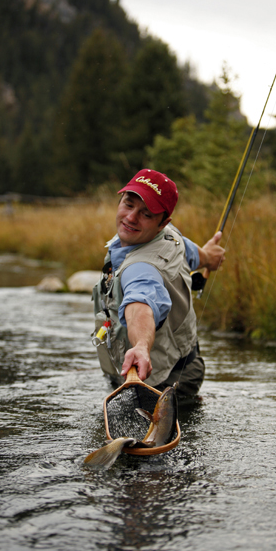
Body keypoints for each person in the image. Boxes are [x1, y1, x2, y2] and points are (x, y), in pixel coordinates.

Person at [92, 168, 225, 401]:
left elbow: (141, 304)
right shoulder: (168, 236)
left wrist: (141, 345)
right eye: (128, 204)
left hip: (165, 382)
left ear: (163, 222)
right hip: (180, 363)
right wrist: (208, 256)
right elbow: (191, 251)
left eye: (146, 214)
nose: (131, 217)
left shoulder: (142, 269)